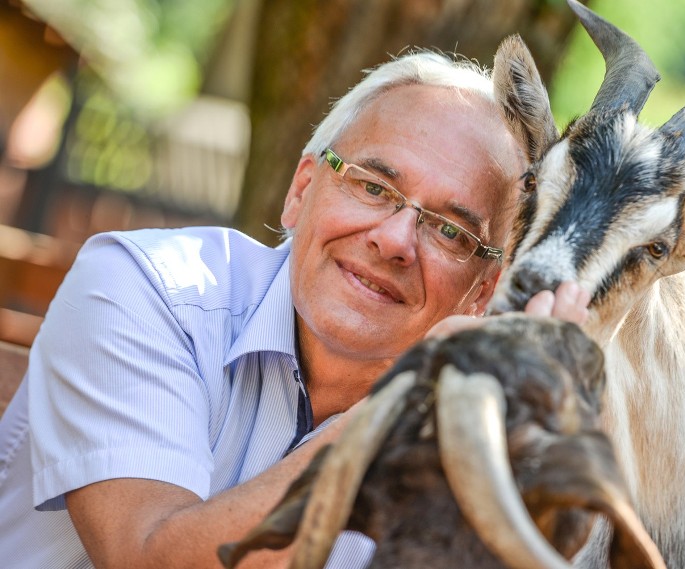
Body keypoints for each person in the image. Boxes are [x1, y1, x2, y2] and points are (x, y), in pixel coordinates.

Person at [0, 48, 590, 568]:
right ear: (302, 190)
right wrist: (394, 409)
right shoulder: (147, 286)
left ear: (484, 290)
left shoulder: (475, 433)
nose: (394, 241)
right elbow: (146, 558)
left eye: (450, 232)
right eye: (373, 187)